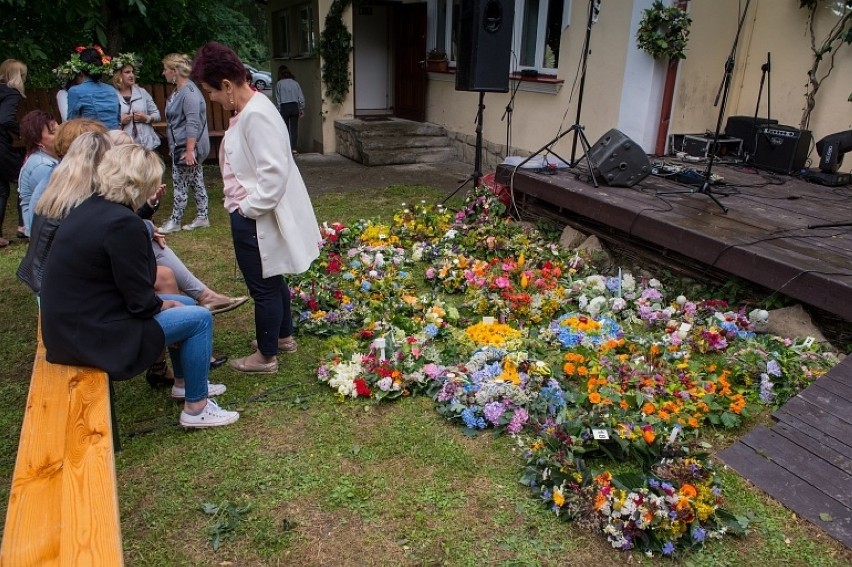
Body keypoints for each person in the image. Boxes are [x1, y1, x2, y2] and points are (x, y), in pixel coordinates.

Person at [40, 144, 238, 427]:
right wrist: (159, 304)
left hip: (70, 327)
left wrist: (161, 303)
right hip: (90, 337)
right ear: (140, 183)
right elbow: (139, 299)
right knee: (199, 318)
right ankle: (197, 408)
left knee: (186, 304)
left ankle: (184, 383)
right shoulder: (123, 224)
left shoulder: (91, 207)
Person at [192, 42, 321, 374]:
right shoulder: (251, 110)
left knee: (262, 286)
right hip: (255, 213)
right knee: (272, 277)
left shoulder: (256, 116)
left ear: (226, 84)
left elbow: (273, 174)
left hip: (255, 216)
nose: (213, 99)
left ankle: (265, 356)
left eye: (211, 92)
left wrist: (246, 210)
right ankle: (283, 337)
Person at [160, 53, 210, 234]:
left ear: (174, 71)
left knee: (179, 183)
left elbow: (192, 123)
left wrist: (190, 151)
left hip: (189, 147)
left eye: (165, 69)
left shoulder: (189, 93)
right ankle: (202, 216)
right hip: (181, 146)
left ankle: (175, 220)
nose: (163, 73)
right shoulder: (179, 91)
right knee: (196, 180)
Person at [17, 110, 58, 236]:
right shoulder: (42, 166)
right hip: (41, 233)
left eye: (59, 129)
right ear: (38, 141)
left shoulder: (50, 158)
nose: (60, 135)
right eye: (53, 132)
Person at [0, 59, 27, 247]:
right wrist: (24, 132)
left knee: (1, 189)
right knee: (23, 178)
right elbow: (4, 119)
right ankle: (23, 226)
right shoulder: (11, 93)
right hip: (1, 145)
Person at [112, 54, 161, 150]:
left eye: (132, 72)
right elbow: (105, 120)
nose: (131, 75)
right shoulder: (111, 94)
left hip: (146, 145)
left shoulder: (141, 92)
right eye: (127, 72)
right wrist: (120, 121)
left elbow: (157, 115)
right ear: (119, 75)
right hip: (122, 145)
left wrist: (146, 118)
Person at [66, 46, 121, 130]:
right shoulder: (112, 90)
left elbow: (71, 125)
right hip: (115, 139)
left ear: (80, 69)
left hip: (92, 140)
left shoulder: (75, 91)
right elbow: (118, 120)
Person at [274, 65, 304, 153]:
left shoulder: (279, 84)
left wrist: (279, 109)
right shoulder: (295, 83)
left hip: (284, 107)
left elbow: (278, 99)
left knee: (285, 128)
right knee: (294, 129)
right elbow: (301, 97)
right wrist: (301, 109)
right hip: (294, 106)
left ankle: (286, 148)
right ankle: (294, 148)